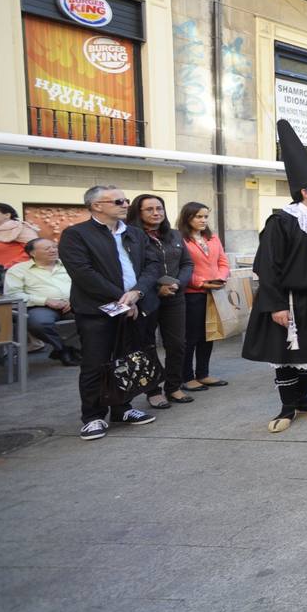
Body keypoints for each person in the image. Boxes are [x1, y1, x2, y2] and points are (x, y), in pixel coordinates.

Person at [240, 121, 307, 433]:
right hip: (287, 300)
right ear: (305, 192)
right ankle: (288, 407)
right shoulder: (282, 222)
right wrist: (276, 306)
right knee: (286, 356)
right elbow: (267, 266)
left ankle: (303, 400)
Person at [59, 185, 164, 441]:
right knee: (96, 363)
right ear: (97, 205)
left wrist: (137, 292)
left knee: (126, 360)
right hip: (97, 311)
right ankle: (93, 416)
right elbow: (83, 273)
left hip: (134, 306)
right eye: (118, 201)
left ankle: (123, 408)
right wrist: (121, 299)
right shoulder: (76, 235)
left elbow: (153, 265)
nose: (125, 204)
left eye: (126, 200)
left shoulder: (135, 233)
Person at [128, 194, 193, 409]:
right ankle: (153, 390)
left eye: (159, 208)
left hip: (175, 296)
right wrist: (157, 287)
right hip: (145, 297)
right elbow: (136, 268)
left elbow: (187, 264)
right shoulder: (131, 236)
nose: (156, 213)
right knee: (147, 345)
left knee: (177, 344)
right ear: (138, 212)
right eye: (149, 209)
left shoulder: (174, 235)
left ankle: (173, 386)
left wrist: (176, 284)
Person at [3, 238, 79, 366]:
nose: (53, 250)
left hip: (72, 304)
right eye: (47, 248)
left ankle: (83, 348)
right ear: (32, 253)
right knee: (39, 323)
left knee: (97, 314)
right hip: (40, 307)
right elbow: (12, 294)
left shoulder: (69, 264)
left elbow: (83, 284)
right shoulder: (18, 270)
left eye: (54, 247)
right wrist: (46, 301)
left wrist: (74, 299)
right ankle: (63, 349)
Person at [179, 202, 229, 395]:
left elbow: (223, 261)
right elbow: (181, 268)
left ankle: (203, 373)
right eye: (198, 216)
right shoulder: (180, 239)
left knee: (209, 334)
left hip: (214, 292)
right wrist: (202, 282)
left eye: (205, 216)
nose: (203, 220)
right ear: (187, 217)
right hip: (193, 294)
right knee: (191, 337)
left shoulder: (212, 237)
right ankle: (187, 377)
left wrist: (221, 278)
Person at [0, 203, 39, 298]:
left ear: (7, 215)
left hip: (14, 276)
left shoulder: (21, 228)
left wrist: (8, 266)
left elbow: (34, 250)